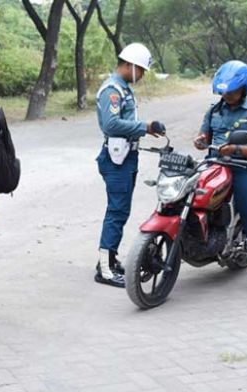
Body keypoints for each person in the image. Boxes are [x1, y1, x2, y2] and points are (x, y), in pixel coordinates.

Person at [193, 60, 247, 295]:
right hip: (213, 165)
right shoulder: (214, 111)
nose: (227, 95)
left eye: (231, 91)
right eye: (223, 91)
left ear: (243, 89)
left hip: (244, 167)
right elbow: (203, 135)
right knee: (185, 195)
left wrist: (236, 150)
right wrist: (199, 141)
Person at [94, 42, 165, 288]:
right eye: (141, 70)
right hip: (116, 160)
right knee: (116, 211)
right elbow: (111, 124)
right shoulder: (112, 90)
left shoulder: (123, 89)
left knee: (121, 211)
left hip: (126, 157)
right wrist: (144, 127)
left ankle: (110, 259)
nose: (142, 75)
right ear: (129, 65)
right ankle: (104, 269)